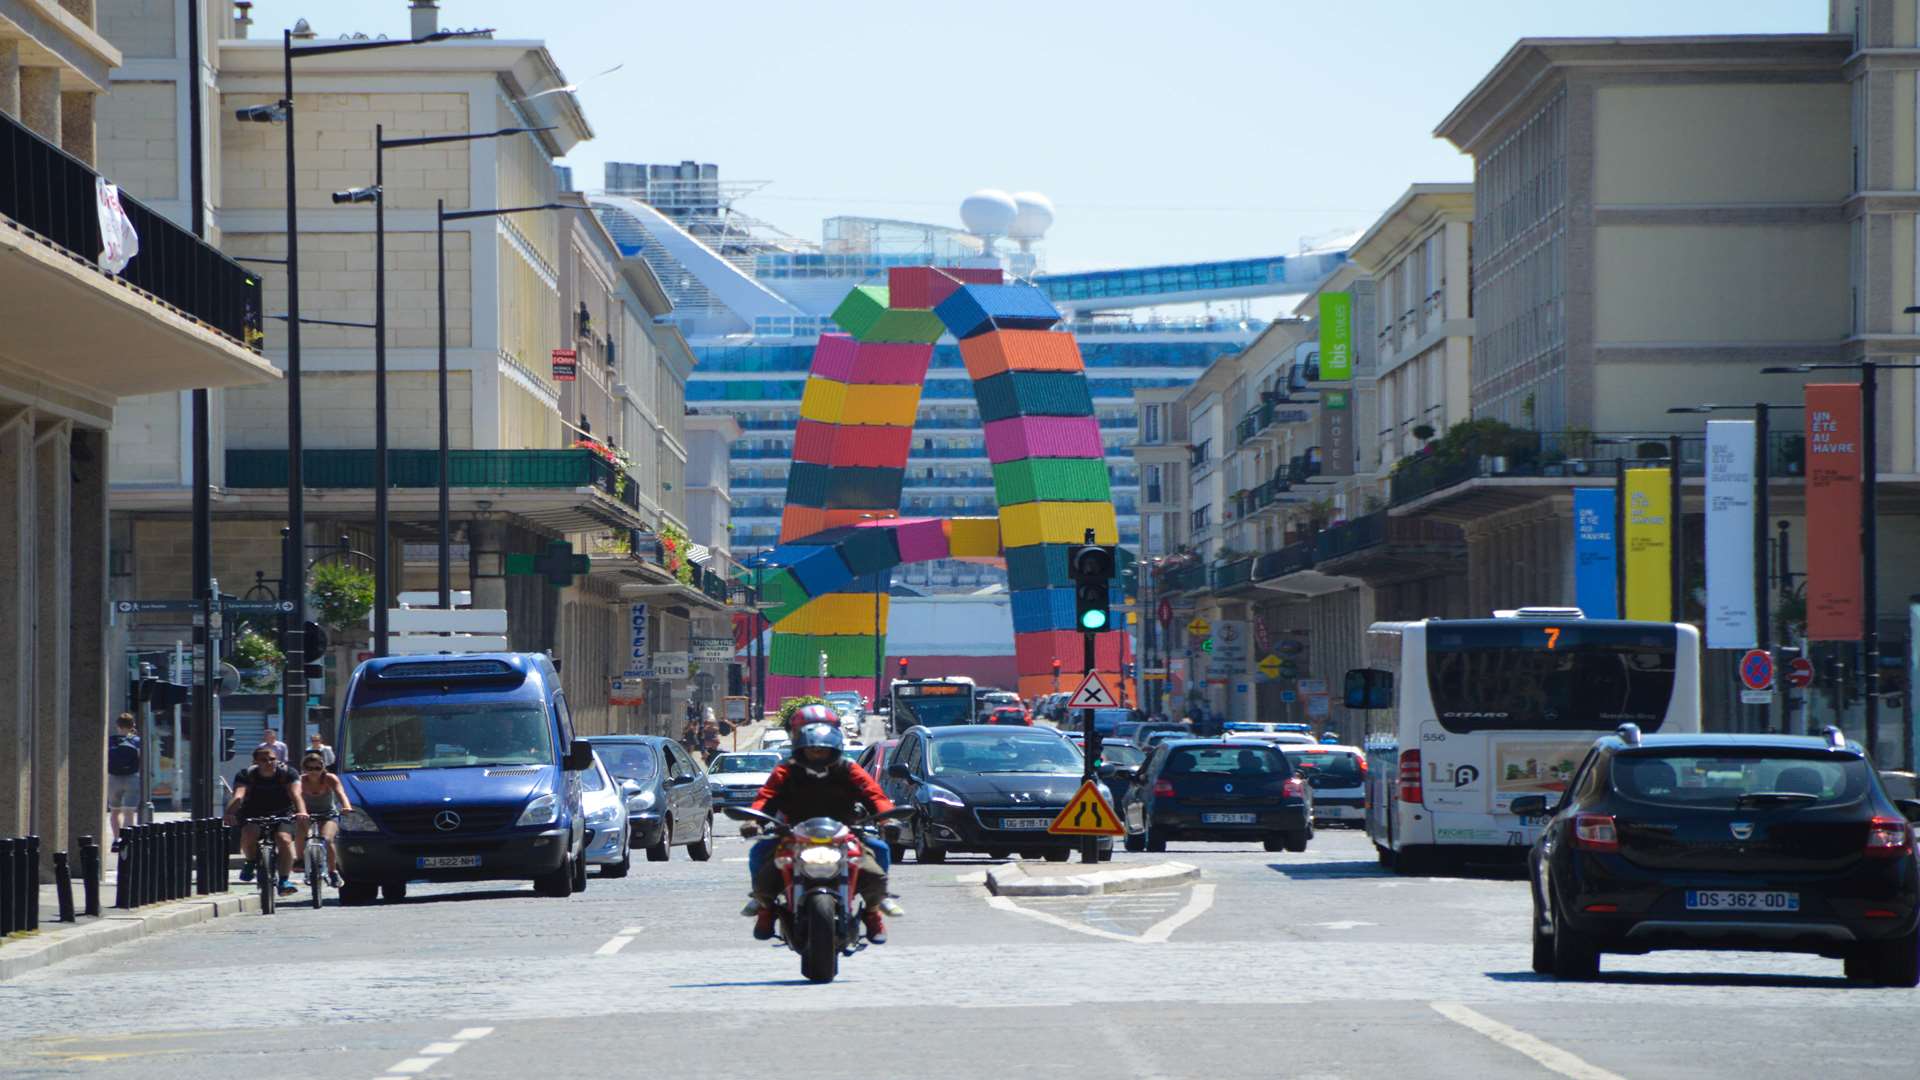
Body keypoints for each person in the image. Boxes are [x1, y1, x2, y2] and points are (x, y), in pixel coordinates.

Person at [741, 707, 903, 943]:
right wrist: (753, 820)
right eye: (810, 742)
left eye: (822, 742)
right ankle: (765, 907)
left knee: (879, 851)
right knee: (759, 853)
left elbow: (874, 795)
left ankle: (873, 911)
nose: (817, 748)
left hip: (844, 832)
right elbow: (766, 796)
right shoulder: (786, 770)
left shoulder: (849, 768)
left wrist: (887, 819)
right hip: (792, 832)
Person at [225, 746, 306, 896]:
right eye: (264, 760)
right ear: (255, 762)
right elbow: (238, 795)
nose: (269, 762)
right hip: (254, 812)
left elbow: (296, 794)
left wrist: (302, 811)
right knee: (249, 834)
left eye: (272, 759)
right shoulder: (246, 774)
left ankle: (284, 879)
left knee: (284, 839)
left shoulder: (287, 773)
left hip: (283, 812)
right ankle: (250, 862)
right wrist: (229, 813)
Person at [293, 751, 353, 887]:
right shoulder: (300, 780)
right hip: (306, 813)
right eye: (309, 768)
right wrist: (299, 811)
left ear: (323, 767)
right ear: (304, 769)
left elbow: (341, 793)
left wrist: (346, 807)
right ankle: (300, 859)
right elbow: (295, 795)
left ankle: (333, 872)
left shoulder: (330, 778)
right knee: (301, 832)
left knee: (327, 839)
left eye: (317, 768)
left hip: (328, 814)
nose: (313, 772)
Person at [106, 713, 142, 841]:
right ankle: (127, 841)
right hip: (132, 778)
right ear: (132, 725)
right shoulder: (137, 741)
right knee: (129, 812)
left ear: (117, 726)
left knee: (115, 812)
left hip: (113, 778)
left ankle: (116, 840)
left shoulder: (110, 740)